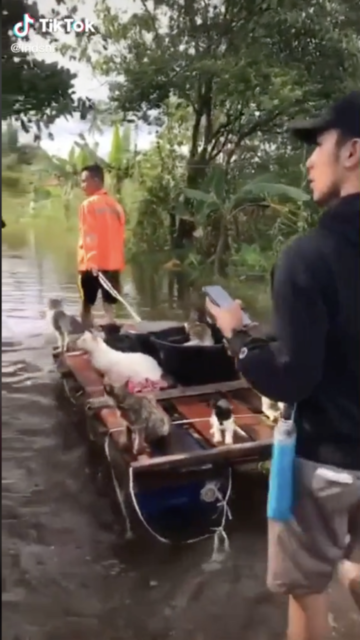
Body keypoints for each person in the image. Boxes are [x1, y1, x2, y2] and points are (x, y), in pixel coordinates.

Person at [207, 91, 360, 640]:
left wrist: (239, 340)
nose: (307, 160)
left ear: (352, 152)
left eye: (316, 144)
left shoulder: (308, 256)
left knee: (306, 591)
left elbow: (293, 376)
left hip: (324, 462)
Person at [78, 164, 126, 326]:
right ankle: (111, 333)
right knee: (110, 303)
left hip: (93, 264)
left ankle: (84, 333)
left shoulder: (88, 205)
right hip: (113, 263)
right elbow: (120, 235)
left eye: (85, 181)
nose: (82, 185)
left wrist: (91, 261)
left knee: (87, 303)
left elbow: (89, 234)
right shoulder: (116, 205)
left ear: (96, 180)